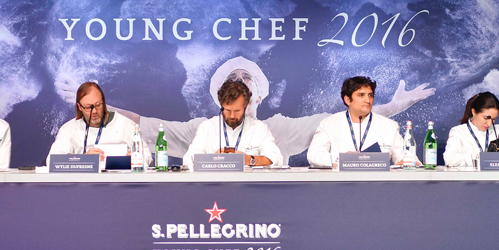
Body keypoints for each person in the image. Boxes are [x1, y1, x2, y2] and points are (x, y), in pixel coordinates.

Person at [65, 56, 435, 162]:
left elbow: (342, 120)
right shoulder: (203, 127)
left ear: (256, 96)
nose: (241, 81)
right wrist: (98, 109)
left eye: (246, 78)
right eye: (233, 78)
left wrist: (392, 107)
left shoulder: (277, 128)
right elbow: (149, 126)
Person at [183, 79, 284, 171]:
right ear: (221, 105)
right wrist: (213, 159)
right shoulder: (207, 127)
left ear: (246, 106)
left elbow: (276, 158)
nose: (232, 116)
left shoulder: (259, 128)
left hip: (249, 187)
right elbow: (188, 160)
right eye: (227, 110)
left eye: (237, 111)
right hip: (214, 187)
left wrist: (250, 160)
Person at [306, 76, 406, 167]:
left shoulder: (389, 125)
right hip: (340, 183)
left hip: (377, 184)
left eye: (370, 95)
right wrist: (342, 159)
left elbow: (405, 156)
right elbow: (314, 155)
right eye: (361, 95)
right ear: (347, 100)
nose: (368, 100)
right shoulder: (329, 123)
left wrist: (407, 161)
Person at [47, 81, 151, 166]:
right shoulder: (68, 130)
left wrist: (136, 159)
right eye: (88, 107)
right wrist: (83, 160)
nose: (95, 111)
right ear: (79, 107)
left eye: (98, 105)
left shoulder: (126, 125)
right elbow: (53, 161)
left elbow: (147, 156)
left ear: (103, 102)